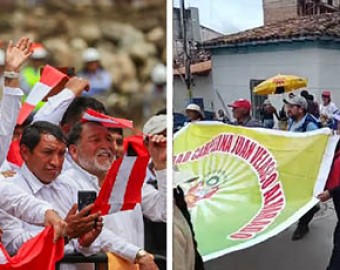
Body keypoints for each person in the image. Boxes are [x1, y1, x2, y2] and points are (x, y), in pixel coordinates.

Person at [63, 120, 166, 269]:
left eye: (109, 139)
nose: (106, 146)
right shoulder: (65, 183)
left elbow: (163, 212)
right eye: (95, 140)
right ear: (73, 151)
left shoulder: (126, 178)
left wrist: (161, 164)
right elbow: (95, 236)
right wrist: (137, 254)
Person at [0, 122, 102, 262]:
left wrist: (84, 242)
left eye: (61, 154)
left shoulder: (70, 186)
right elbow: (13, 245)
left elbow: (88, 248)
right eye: (48, 152)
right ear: (25, 152)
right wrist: (62, 233)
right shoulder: (8, 190)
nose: (56, 162)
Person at [284, 95, 321, 240]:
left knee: (303, 196)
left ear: (301, 109)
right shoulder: (292, 121)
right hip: (294, 165)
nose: (288, 109)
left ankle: (303, 225)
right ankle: (310, 208)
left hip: (305, 168)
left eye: (292, 106)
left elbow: (316, 147)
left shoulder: (310, 125)